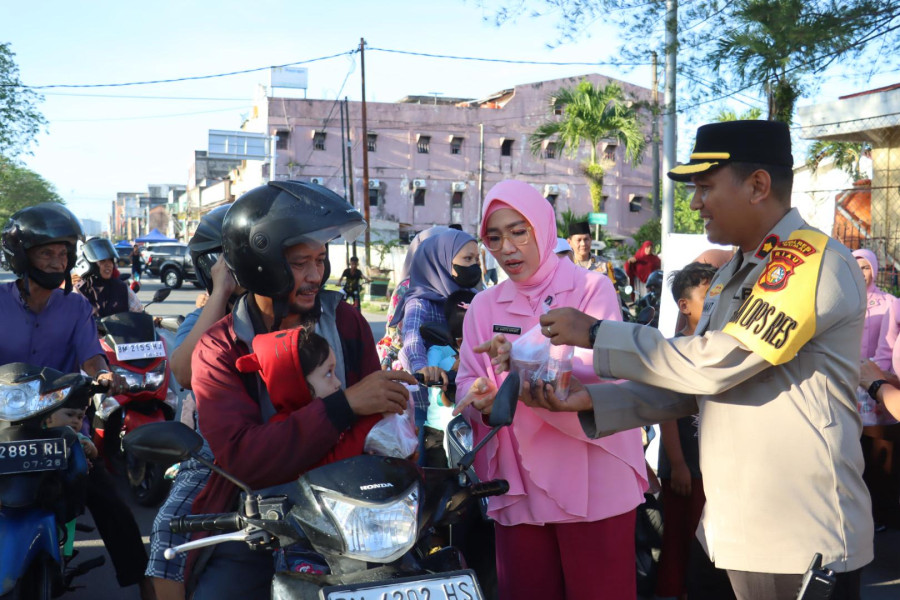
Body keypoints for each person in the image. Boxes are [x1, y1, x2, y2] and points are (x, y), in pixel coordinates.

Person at [525, 120, 872, 600]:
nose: (694, 203)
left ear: (758, 185)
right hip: (730, 531)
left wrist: (598, 332)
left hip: (794, 538)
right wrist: (596, 402)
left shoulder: (810, 262)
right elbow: (694, 384)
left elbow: (715, 363)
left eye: (705, 187)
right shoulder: (738, 269)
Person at [188, 181, 416, 599]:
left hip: (353, 517)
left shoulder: (346, 322)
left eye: (320, 259)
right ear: (261, 264)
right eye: (299, 263)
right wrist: (342, 406)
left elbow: (378, 424)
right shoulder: (219, 347)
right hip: (257, 520)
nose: (316, 275)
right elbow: (242, 459)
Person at [455, 180, 647, 600]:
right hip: (520, 481)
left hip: (594, 472)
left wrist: (518, 368)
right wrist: (483, 397)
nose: (507, 248)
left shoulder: (591, 289)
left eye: (518, 231)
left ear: (543, 228)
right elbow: (467, 382)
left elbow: (602, 372)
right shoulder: (484, 306)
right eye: (494, 237)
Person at [0, 203, 154, 600]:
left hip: (62, 421)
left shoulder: (76, 306)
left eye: (63, 253)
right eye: (46, 253)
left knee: (109, 502)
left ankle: (148, 586)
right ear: (22, 256)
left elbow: (91, 355)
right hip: (2, 422)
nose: (57, 262)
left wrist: (103, 374)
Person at [146, 203, 238, 600]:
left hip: (291, 446)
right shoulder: (203, 317)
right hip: (215, 455)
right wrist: (220, 294)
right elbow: (185, 373)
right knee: (168, 529)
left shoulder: (300, 311)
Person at [655, 262, 717, 600]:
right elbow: (665, 411)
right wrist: (677, 464)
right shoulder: (675, 348)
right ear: (684, 305)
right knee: (681, 539)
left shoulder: (719, 346)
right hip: (686, 467)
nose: (715, 303)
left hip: (714, 466)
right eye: (708, 296)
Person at [392, 229, 480, 459]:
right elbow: (411, 342)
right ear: (440, 262)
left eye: (477, 259)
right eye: (467, 259)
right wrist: (424, 368)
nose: (474, 266)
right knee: (432, 466)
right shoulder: (421, 303)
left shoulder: (474, 298)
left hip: (468, 397)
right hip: (428, 401)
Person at [235, 327, 381, 462]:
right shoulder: (286, 431)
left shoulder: (324, 416)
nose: (338, 383)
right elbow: (333, 462)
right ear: (298, 384)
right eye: (328, 374)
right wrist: (371, 420)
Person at [421, 289, 475, 469]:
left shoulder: (481, 352)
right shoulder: (439, 354)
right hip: (440, 430)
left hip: (466, 428)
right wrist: (452, 370)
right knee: (438, 482)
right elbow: (442, 400)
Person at [75, 237, 142, 317]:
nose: (108, 264)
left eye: (110, 260)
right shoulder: (80, 290)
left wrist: (153, 320)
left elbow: (139, 312)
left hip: (119, 329)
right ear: (91, 264)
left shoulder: (121, 288)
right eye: (102, 261)